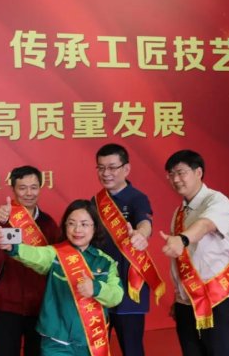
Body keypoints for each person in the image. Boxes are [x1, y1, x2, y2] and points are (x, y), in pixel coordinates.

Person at [0, 199, 123, 356]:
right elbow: (36, 255)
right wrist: (12, 247)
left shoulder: (106, 262)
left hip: (91, 341)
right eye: (71, 223)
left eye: (84, 224)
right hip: (56, 342)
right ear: (65, 226)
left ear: (95, 228)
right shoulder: (55, 254)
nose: (77, 229)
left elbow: (116, 296)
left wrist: (96, 289)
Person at [160, 150, 229, 356]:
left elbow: (205, 224)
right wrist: (179, 296)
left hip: (218, 300)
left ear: (198, 172)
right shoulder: (179, 212)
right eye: (171, 174)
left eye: (181, 172)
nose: (175, 179)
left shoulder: (217, 201)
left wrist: (182, 239)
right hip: (186, 302)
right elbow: (183, 260)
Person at [92, 143, 165, 356]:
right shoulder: (95, 202)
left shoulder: (137, 198)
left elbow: (145, 222)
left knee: (131, 348)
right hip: (101, 284)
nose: (106, 173)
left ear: (126, 169)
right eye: (101, 168)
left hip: (129, 285)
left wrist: (141, 235)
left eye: (112, 167)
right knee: (95, 347)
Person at [0, 165, 61, 356]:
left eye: (34, 187)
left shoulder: (49, 224)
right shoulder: (2, 218)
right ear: (13, 189)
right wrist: (1, 220)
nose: (29, 193)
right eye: (22, 188)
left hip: (39, 305)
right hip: (7, 303)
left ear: (40, 188)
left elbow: (55, 260)